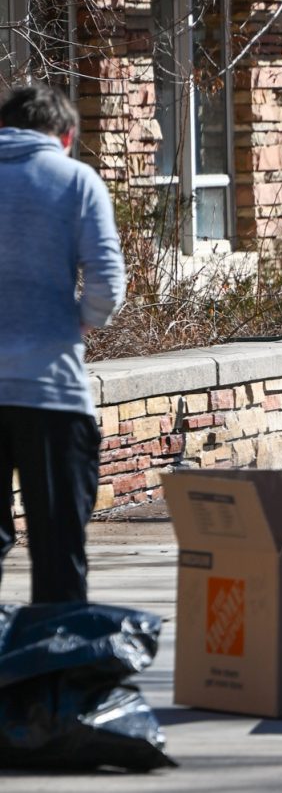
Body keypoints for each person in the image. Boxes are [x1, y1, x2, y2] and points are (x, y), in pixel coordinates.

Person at [0, 82, 126, 602]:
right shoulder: (76, 182)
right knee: (58, 551)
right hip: (50, 391)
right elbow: (107, 284)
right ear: (66, 136)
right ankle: (56, 676)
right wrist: (78, 322)